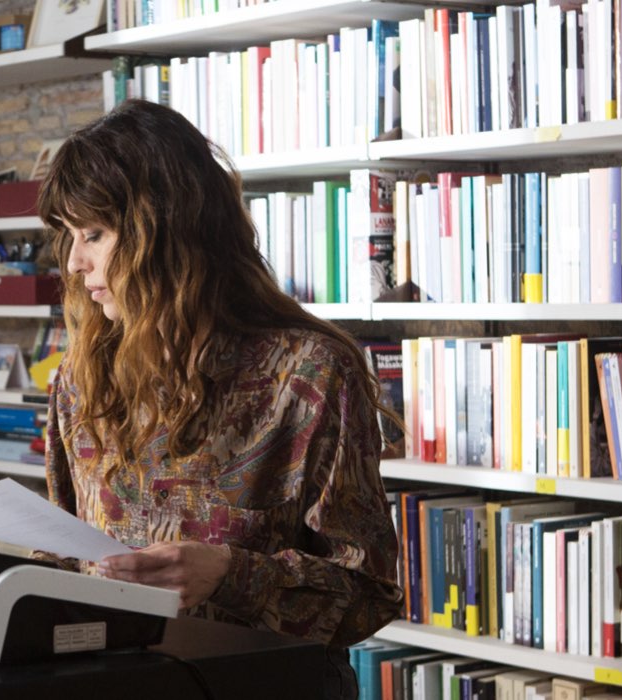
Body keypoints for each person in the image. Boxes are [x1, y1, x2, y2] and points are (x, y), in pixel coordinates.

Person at [36, 99, 404, 698]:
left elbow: (366, 596)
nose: (76, 263)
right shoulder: (81, 381)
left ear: (167, 228)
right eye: (72, 238)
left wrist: (232, 576)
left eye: (95, 234)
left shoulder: (308, 375)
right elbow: (58, 558)